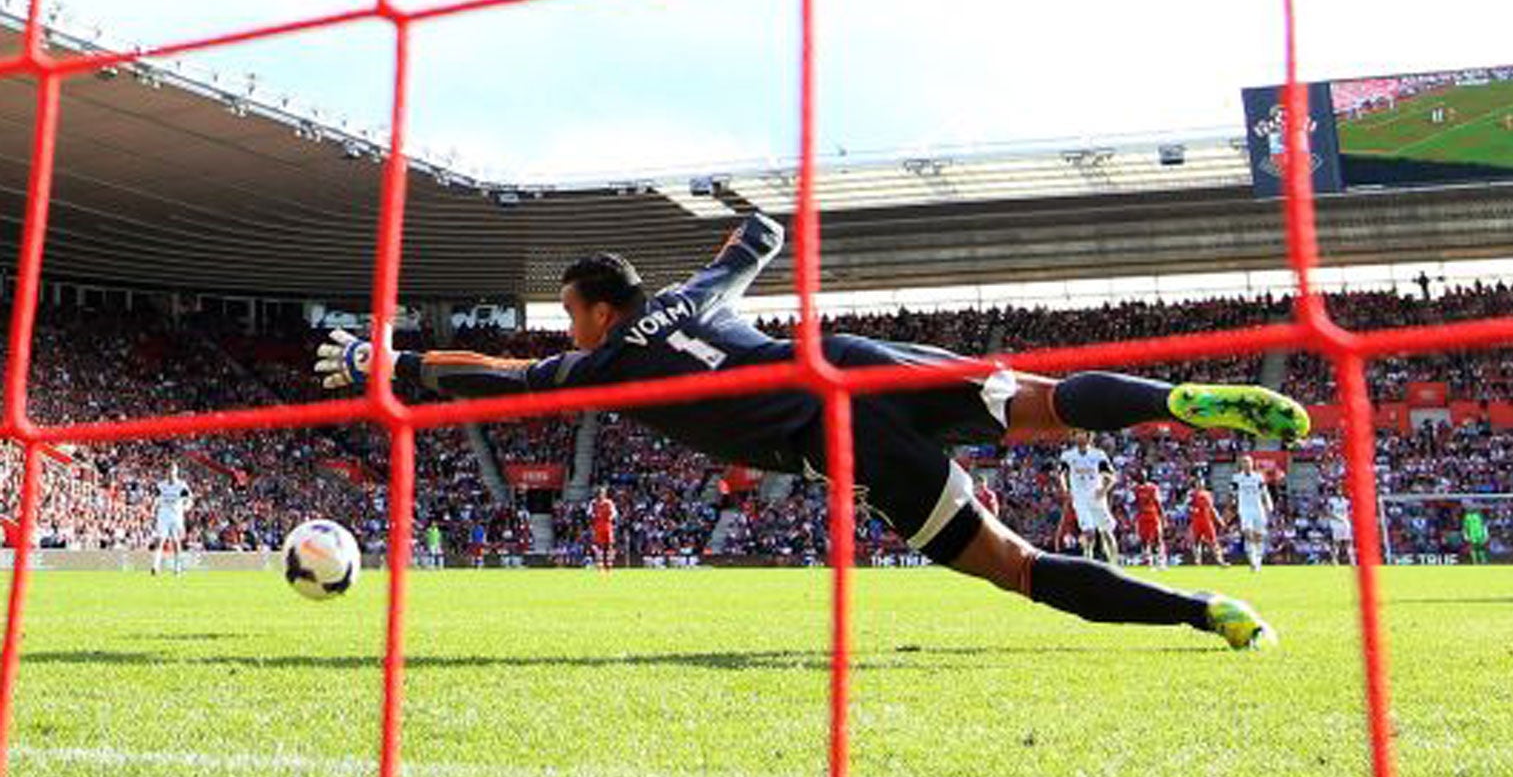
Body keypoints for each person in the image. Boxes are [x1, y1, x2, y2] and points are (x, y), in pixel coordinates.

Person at [318, 214, 1309, 649]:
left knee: (1014, 564)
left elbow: (498, 375)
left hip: (838, 440)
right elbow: (758, 240)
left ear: (586, 307)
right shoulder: (695, 293)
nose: (566, 327)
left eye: (568, 312)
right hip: (850, 359)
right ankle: (1173, 400)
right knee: (1041, 401)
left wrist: (400, 363)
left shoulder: (602, 359)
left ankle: (1200, 612)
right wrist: (743, 232)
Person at [1060, 435, 1119, 565]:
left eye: (1083, 435)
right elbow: (1062, 474)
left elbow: (1112, 477)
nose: (1079, 438)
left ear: (1089, 438)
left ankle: (1115, 563)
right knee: (1089, 532)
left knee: (1106, 532)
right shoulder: (1068, 456)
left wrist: (1103, 490)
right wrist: (1065, 489)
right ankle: (1088, 562)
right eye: (1077, 435)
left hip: (1096, 499)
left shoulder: (1098, 455)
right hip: (1080, 498)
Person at [1230, 453, 1273, 573]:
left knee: (1259, 536)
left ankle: (1258, 560)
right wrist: (1232, 506)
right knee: (1248, 534)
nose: (1246, 464)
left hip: (1258, 509)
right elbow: (1232, 494)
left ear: (1252, 464)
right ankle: (1252, 561)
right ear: (1241, 465)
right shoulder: (1236, 478)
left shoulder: (1258, 477)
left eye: (1248, 462)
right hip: (1244, 509)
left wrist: (1269, 505)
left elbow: (1264, 492)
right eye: (1244, 462)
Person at [150, 462, 190, 576]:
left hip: (176, 516)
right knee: (160, 540)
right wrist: (153, 509)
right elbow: (156, 498)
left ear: (176, 472)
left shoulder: (182, 485)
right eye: (169, 470)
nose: (171, 473)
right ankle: (155, 567)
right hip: (163, 515)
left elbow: (188, 499)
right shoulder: (161, 485)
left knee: (176, 541)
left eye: (173, 470)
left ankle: (177, 569)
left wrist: (186, 506)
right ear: (167, 472)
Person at [1132, 474, 1166, 568]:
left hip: (1152, 515)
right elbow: (1135, 503)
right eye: (1139, 476)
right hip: (1142, 516)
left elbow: (1158, 503)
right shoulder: (1136, 489)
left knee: (1157, 538)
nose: (1141, 477)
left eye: (1142, 475)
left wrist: (1162, 517)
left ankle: (1161, 559)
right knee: (1144, 539)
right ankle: (1147, 559)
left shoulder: (1153, 488)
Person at [1187, 481, 1224, 565]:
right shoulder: (1192, 494)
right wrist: (1192, 510)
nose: (1199, 484)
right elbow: (1188, 506)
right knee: (1196, 541)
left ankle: (1220, 560)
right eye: (1198, 483)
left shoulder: (1208, 494)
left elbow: (1212, 508)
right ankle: (1197, 560)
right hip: (1197, 521)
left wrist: (1218, 519)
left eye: (1201, 483)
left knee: (1213, 541)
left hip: (1207, 520)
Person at [590, 489, 618, 571]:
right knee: (599, 546)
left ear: (605, 494)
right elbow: (589, 513)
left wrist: (611, 517)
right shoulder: (593, 503)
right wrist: (593, 516)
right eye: (599, 494)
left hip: (607, 526)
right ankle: (600, 564)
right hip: (598, 526)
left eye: (602, 493)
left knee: (609, 545)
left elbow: (614, 513)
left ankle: (609, 564)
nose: (600, 495)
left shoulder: (609, 502)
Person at [1327, 488, 1355, 565]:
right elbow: (1328, 512)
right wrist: (1337, 518)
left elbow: (1350, 511)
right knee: (1336, 542)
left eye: (1341, 490)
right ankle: (1335, 561)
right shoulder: (1332, 501)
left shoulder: (1346, 501)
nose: (1339, 491)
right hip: (1336, 523)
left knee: (1348, 541)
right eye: (1338, 490)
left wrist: (1347, 518)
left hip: (1345, 523)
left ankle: (1352, 561)